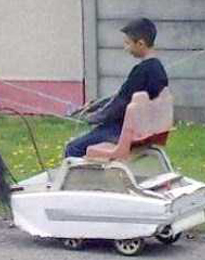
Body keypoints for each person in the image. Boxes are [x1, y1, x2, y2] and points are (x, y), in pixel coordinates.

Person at [64, 17, 168, 158]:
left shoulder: (140, 72)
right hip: (143, 131)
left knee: (73, 148)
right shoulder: (158, 69)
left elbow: (118, 105)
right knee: (88, 137)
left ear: (141, 44)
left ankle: (81, 180)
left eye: (127, 43)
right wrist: (95, 105)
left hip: (122, 131)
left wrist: (92, 118)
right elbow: (120, 96)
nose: (125, 48)